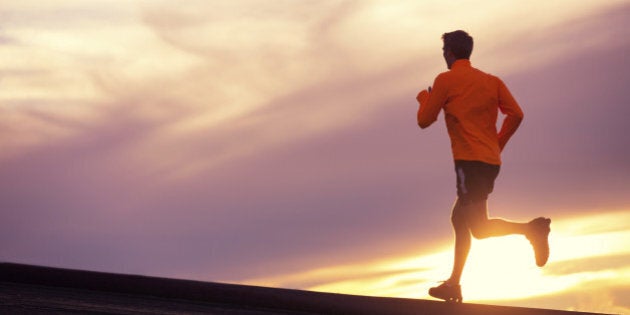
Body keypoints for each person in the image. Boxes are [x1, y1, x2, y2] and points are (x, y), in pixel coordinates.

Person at [416, 30, 551, 303]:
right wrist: (497, 143)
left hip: (469, 163)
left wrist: (424, 99)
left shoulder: (445, 79)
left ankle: (532, 229)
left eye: (445, 52)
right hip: (489, 161)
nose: (444, 56)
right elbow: (517, 114)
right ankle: (453, 284)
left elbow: (424, 120)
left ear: (449, 53)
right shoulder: (491, 81)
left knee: (478, 228)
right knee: (459, 219)